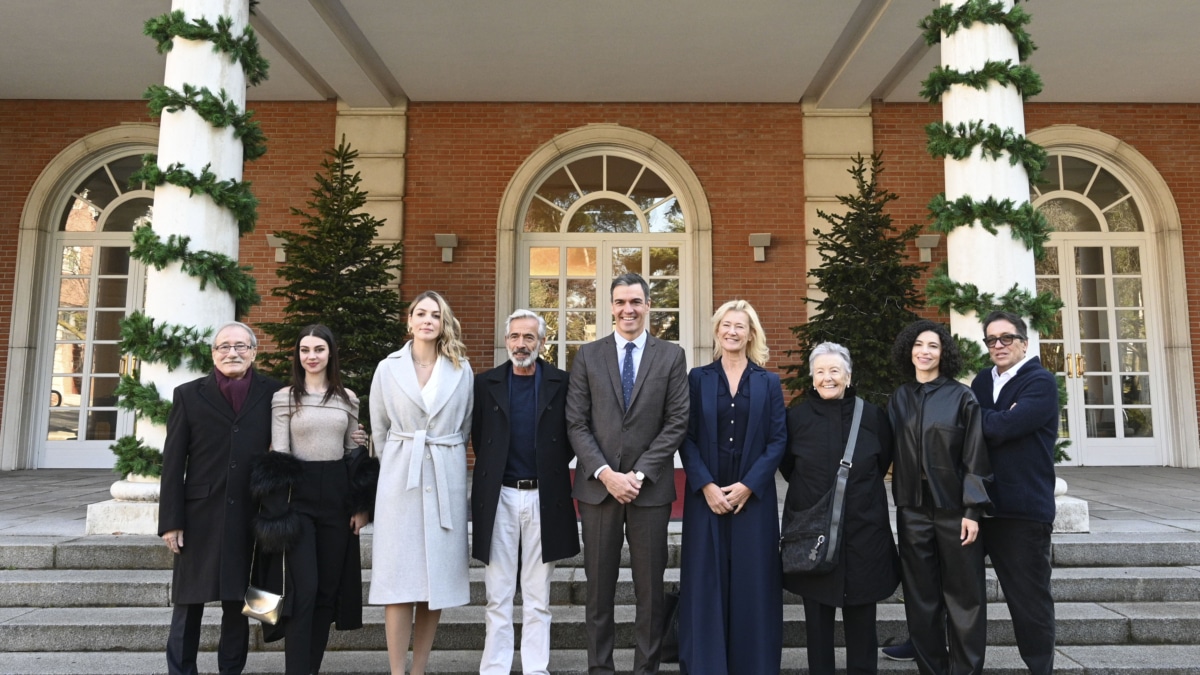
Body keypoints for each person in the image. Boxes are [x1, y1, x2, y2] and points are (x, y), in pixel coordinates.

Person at [566, 272, 689, 675]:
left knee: (650, 593)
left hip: (648, 491)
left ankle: (645, 669)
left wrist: (636, 475)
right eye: (620, 302)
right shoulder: (587, 355)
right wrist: (606, 473)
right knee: (598, 593)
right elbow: (576, 423)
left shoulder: (671, 355)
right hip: (598, 491)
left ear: (648, 305)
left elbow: (676, 421)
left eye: (635, 302)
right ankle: (600, 669)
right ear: (611, 307)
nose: (627, 310)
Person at [159, 321, 282, 675]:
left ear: (254, 352)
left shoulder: (275, 392)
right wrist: (171, 521)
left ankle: (232, 670)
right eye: (224, 346)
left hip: (252, 514)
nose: (233, 352)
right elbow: (172, 462)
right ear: (213, 353)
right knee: (188, 601)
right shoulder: (187, 394)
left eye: (241, 346)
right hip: (199, 516)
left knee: (239, 601)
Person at [250, 324, 371, 675]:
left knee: (327, 592)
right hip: (297, 498)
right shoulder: (284, 397)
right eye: (305, 350)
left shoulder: (348, 398)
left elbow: (353, 454)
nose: (312, 356)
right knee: (304, 588)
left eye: (319, 349)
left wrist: (361, 506)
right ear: (298, 355)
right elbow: (280, 452)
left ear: (330, 353)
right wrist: (278, 509)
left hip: (336, 498)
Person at [677, 300, 786, 675]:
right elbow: (685, 438)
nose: (732, 331)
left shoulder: (769, 382)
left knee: (753, 582)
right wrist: (705, 485)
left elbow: (777, 440)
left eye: (740, 326)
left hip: (752, 497)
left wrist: (749, 486)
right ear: (717, 330)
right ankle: (707, 665)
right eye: (726, 325)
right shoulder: (697, 378)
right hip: (705, 494)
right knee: (705, 580)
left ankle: (752, 665)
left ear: (751, 333)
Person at [369, 291, 474, 675]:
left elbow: (463, 427)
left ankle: (420, 670)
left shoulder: (461, 369)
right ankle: (398, 671)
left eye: (435, 315)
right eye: (421, 314)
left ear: (443, 322)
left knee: (436, 581)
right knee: (399, 579)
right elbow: (379, 428)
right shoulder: (388, 367)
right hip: (401, 478)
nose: (428, 320)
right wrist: (397, 465)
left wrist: (443, 460)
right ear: (409, 321)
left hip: (444, 474)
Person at [471, 309, 580, 675]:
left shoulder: (561, 382)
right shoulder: (485, 383)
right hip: (500, 495)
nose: (521, 344)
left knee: (538, 593)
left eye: (529, 337)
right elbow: (480, 437)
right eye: (515, 337)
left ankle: (536, 668)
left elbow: (569, 439)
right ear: (506, 340)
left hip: (544, 496)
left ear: (542, 342)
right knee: (497, 591)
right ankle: (495, 667)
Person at [782, 342, 898, 675]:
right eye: (820, 371)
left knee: (863, 628)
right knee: (817, 629)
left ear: (848, 376)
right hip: (812, 538)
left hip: (864, 535)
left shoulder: (873, 416)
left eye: (835, 371)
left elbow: (882, 461)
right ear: (812, 377)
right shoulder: (797, 418)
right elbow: (788, 467)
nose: (827, 378)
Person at [887, 320, 993, 675]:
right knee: (921, 601)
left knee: (965, 599)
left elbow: (975, 456)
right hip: (912, 512)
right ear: (909, 350)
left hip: (955, 512)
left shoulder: (962, 397)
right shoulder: (899, 398)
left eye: (933, 346)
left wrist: (973, 511)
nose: (925, 352)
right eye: (919, 344)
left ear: (943, 353)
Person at [970, 310, 1059, 675]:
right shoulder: (980, 381)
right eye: (991, 340)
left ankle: (1040, 668)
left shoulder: (1039, 382)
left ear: (1024, 342)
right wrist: (994, 419)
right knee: (954, 588)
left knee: (1029, 600)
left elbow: (1006, 426)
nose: (998, 345)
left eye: (1006, 338)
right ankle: (927, 645)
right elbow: (994, 424)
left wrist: (979, 420)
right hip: (976, 506)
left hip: (1022, 510)